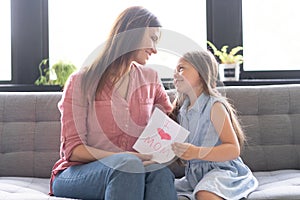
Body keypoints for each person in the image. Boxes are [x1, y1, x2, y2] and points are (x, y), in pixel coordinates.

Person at [50, 6, 177, 200]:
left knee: (160, 173)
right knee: (127, 165)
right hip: (78, 173)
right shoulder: (81, 81)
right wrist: (126, 158)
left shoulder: (151, 78)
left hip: (133, 168)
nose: (154, 49)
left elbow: (172, 120)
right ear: (132, 31)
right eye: (152, 38)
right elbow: (74, 151)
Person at [170, 50, 258, 200]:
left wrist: (197, 152)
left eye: (181, 68)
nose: (175, 74)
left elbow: (233, 149)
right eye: (175, 70)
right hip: (194, 175)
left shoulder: (214, 106)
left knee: (205, 194)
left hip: (223, 171)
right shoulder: (182, 109)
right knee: (161, 187)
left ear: (201, 72)